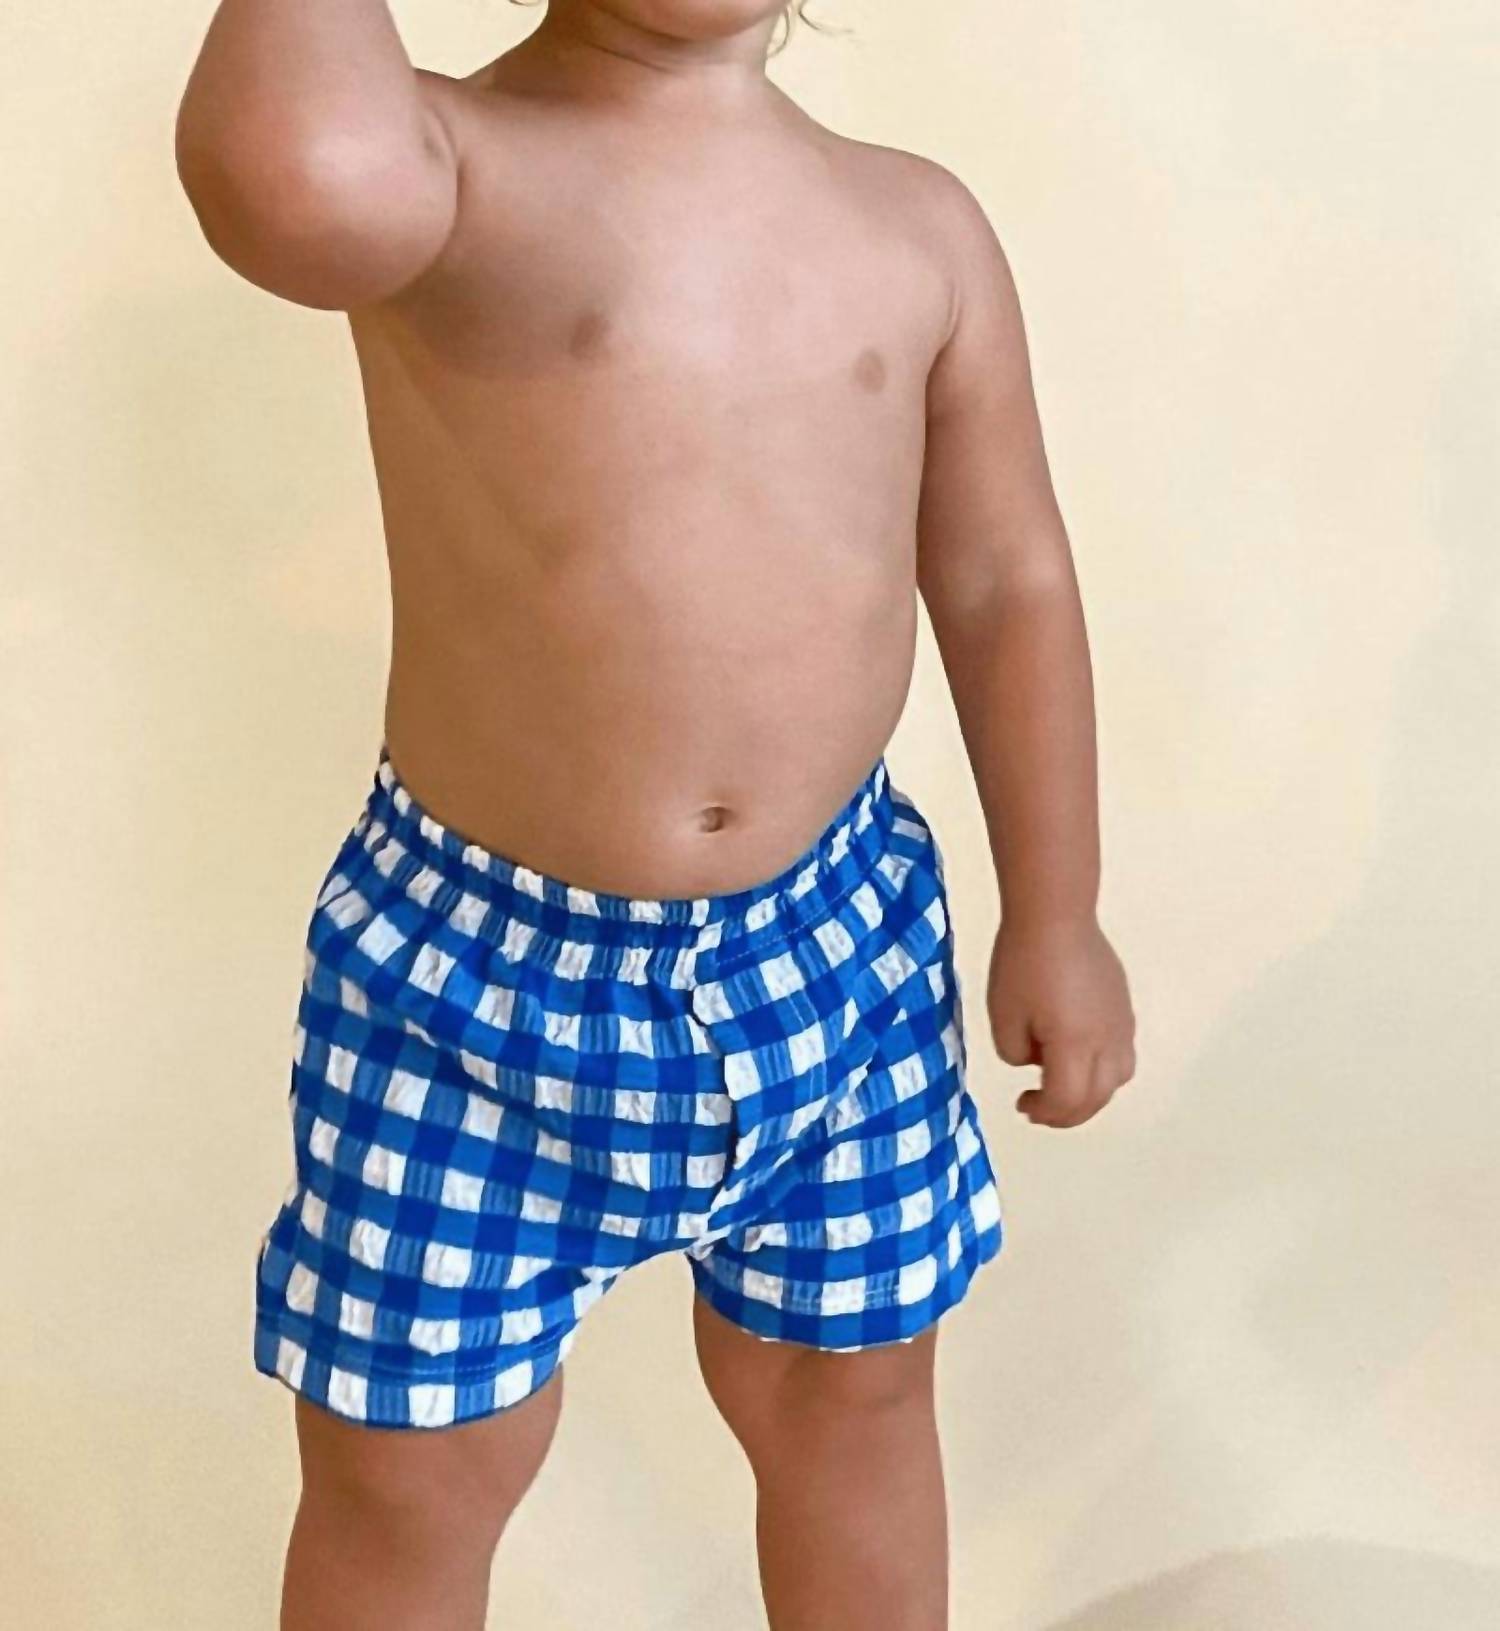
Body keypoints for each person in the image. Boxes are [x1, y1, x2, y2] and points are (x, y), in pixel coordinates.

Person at [175, 3, 1137, 1627]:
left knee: (853, 1398)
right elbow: (292, 180)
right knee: (409, 1471)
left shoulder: (918, 229)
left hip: (833, 958)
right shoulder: (449, 169)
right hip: (470, 996)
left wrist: (1058, 908)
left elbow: (1004, 577)